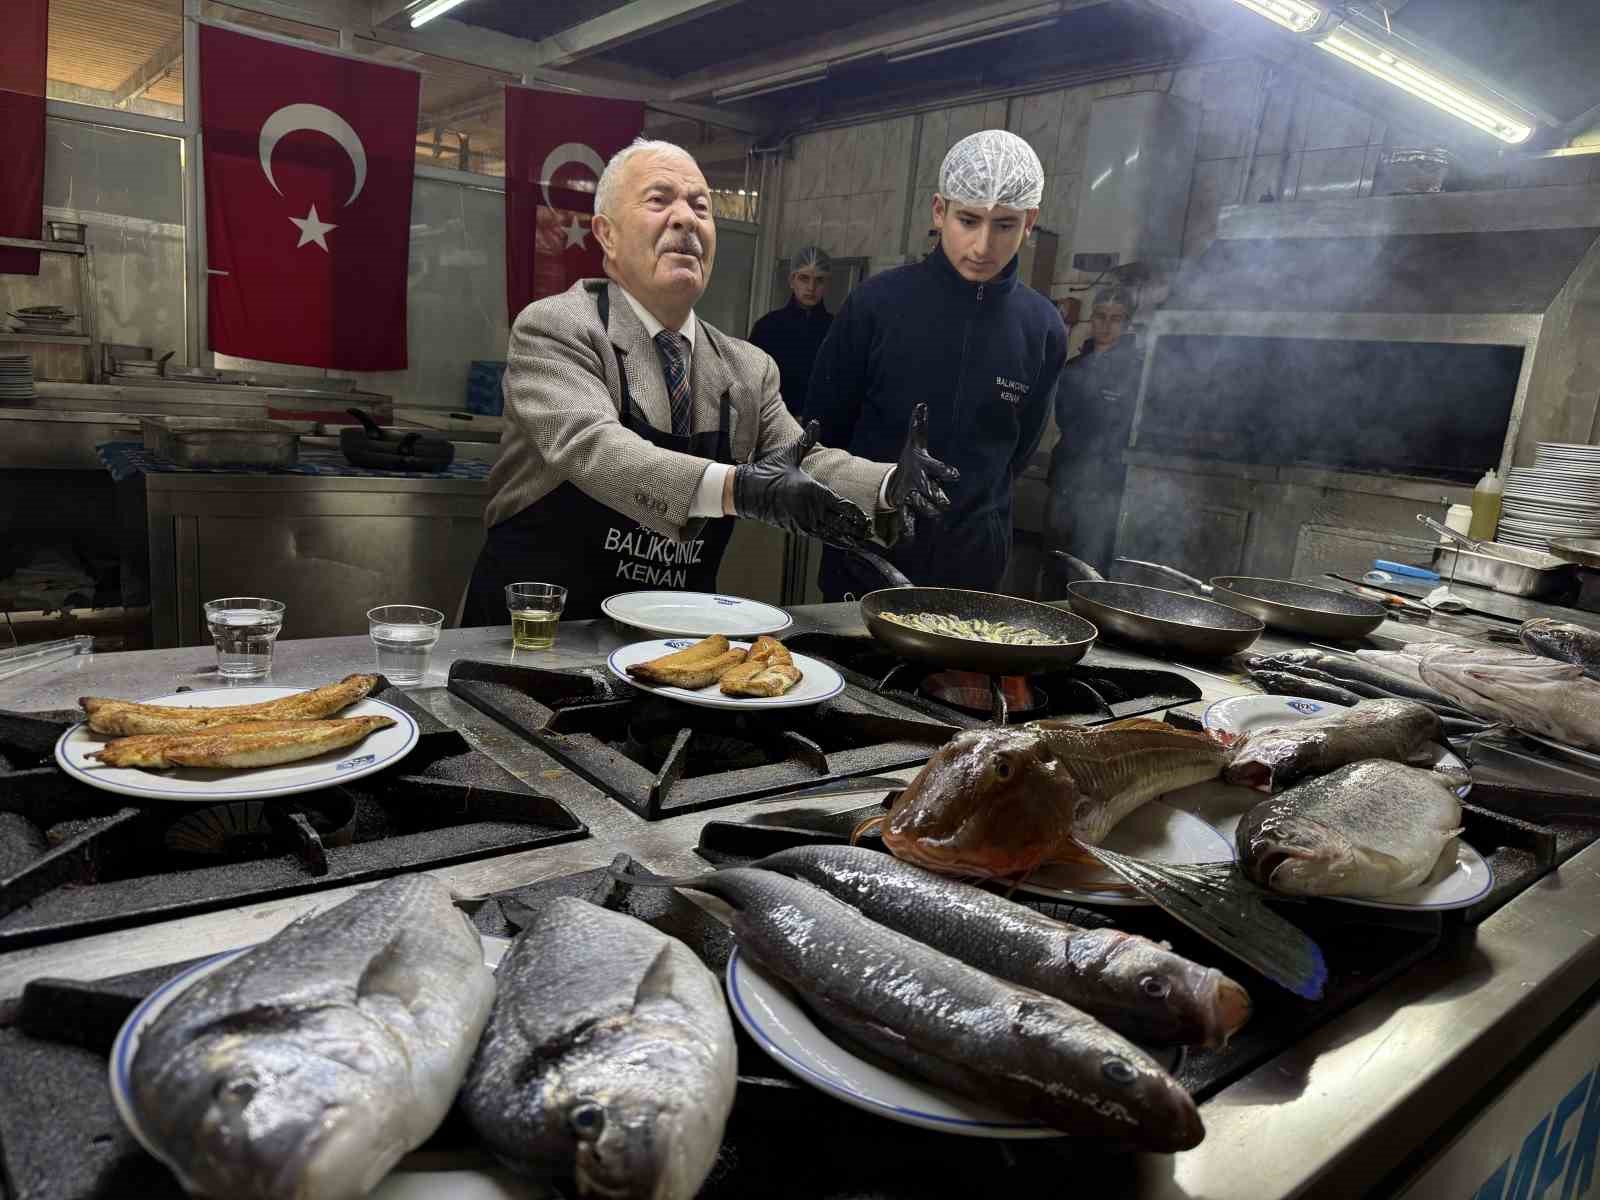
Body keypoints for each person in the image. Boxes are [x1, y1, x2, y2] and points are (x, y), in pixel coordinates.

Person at [462, 139, 954, 624]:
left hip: (672, 647)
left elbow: (804, 459)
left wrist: (890, 484)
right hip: (533, 641)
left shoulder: (748, 369)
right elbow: (593, 447)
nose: (686, 219)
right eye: (659, 200)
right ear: (606, 234)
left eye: (701, 206)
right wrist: (740, 489)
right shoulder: (559, 327)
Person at [803, 129, 1068, 598]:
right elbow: (824, 431)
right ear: (939, 211)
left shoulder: (1042, 327)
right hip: (867, 556)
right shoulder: (877, 305)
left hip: (971, 567)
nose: (983, 245)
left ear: (1030, 222)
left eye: (1004, 225)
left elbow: (1016, 450)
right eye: (968, 220)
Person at [1044, 286, 1142, 575]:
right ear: (1091, 319)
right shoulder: (1073, 366)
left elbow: (1123, 427)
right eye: (1100, 316)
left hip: (1105, 484)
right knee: (1054, 557)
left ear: (1127, 325)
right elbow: (1062, 418)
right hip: (1066, 474)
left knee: (1089, 564)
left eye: (1116, 318)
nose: (1106, 324)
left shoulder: (1136, 372)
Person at [749, 245, 834, 417]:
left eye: (819, 280)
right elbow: (750, 382)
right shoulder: (767, 328)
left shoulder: (837, 330)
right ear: (791, 281)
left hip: (821, 429)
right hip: (772, 425)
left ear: (827, 284)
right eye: (804, 278)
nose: (811, 287)